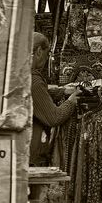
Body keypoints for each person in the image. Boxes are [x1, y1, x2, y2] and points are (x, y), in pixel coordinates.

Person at [30, 32, 81, 166]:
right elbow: (54, 117)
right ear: (39, 51)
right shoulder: (33, 80)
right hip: (31, 152)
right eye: (47, 55)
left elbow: (38, 94)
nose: (46, 60)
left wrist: (62, 91)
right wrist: (72, 101)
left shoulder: (20, 73)